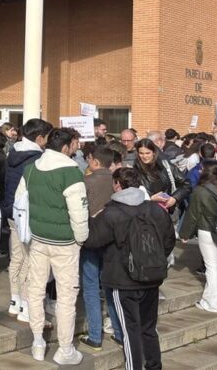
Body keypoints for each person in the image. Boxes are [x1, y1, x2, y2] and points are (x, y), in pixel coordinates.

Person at [84, 167, 176, 370]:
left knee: (129, 330)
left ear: (117, 184)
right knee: (149, 327)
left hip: (122, 279)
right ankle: (154, 365)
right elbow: (169, 240)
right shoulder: (155, 210)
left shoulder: (111, 212)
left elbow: (92, 240)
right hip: (152, 276)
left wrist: (91, 220)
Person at [17, 128, 88, 366]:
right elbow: (79, 213)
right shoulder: (71, 172)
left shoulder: (31, 169)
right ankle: (65, 348)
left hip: (38, 239)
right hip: (65, 242)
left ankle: (38, 341)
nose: (78, 147)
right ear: (67, 146)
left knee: (35, 289)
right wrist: (81, 238)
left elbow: (20, 204)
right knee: (67, 296)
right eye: (76, 143)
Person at [3, 118, 53, 321]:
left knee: (17, 257)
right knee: (30, 260)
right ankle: (25, 304)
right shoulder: (37, 159)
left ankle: (15, 300)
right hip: (28, 214)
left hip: (12, 211)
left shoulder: (13, 153)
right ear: (40, 137)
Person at [78, 146, 123, 350]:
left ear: (95, 162)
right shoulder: (116, 181)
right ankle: (119, 332)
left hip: (90, 237)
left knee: (90, 286)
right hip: (111, 239)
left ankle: (95, 335)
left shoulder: (85, 181)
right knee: (111, 286)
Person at [179, 161, 217, 313]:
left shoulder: (200, 190)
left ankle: (212, 302)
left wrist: (185, 233)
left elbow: (193, 214)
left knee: (211, 266)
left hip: (207, 230)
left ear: (205, 171)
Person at [134, 139, 190, 212]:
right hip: (146, 212)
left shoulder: (166, 166)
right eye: (141, 153)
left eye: (148, 153)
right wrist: (150, 199)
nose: (144, 156)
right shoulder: (134, 171)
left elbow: (187, 184)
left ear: (153, 152)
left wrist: (175, 198)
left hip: (167, 210)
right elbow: (132, 196)